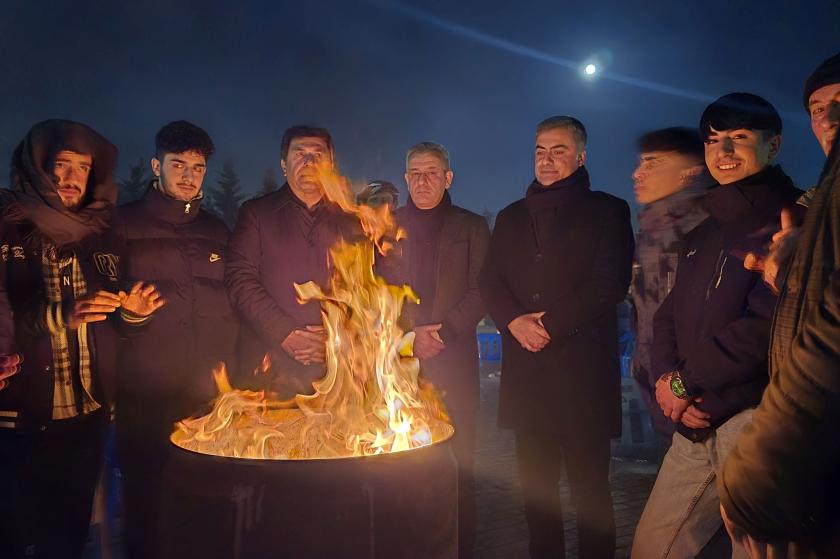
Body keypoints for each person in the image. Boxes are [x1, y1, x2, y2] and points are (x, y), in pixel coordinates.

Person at [631, 93, 802, 559]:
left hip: (753, 423)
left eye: (739, 139)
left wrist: (687, 382)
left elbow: (768, 324)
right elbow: (669, 312)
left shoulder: (791, 221)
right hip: (693, 421)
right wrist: (670, 384)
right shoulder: (707, 228)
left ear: (774, 145)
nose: (723, 153)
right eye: (713, 141)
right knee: (653, 546)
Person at [0, 120, 163, 559]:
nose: (72, 178)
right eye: (61, 165)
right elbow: (7, 313)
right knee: (15, 536)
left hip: (86, 414)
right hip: (20, 417)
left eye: (82, 167)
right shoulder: (8, 225)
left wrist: (133, 313)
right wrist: (60, 315)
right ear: (37, 167)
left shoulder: (102, 230)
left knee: (69, 536)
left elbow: (113, 317)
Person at [479, 115, 634, 558]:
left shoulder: (608, 210)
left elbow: (609, 284)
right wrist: (513, 321)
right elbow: (490, 280)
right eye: (540, 151)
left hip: (582, 377)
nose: (547, 160)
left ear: (581, 156)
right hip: (527, 380)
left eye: (559, 150)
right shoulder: (510, 217)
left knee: (590, 494)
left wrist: (546, 324)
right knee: (536, 494)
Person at [719, 52, 840, 559]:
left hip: (800, 444)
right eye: (817, 107)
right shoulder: (812, 205)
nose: (829, 119)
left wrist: (763, 458)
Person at [112, 121, 239, 559]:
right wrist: (129, 318)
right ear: (156, 165)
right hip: (145, 397)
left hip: (207, 397)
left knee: (207, 505)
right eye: (178, 164)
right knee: (147, 507)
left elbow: (234, 309)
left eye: (197, 167)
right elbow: (101, 312)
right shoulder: (122, 226)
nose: (188, 175)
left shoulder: (218, 232)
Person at [377, 142, 489, 558]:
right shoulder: (387, 227)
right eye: (415, 174)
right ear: (405, 179)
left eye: (432, 173)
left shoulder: (472, 227)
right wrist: (409, 337)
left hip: (454, 363)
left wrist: (442, 333)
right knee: (404, 466)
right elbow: (379, 290)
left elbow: (482, 289)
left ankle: (460, 548)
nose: (423, 181)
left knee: (460, 466)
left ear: (448, 178)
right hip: (401, 366)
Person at [226, 125, 359, 397]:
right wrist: (284, 332)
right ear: (284, 164)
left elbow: (365, 290)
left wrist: (335, 338)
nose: (309, 162)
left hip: (336, 371)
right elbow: (239, 278)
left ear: (330, 165)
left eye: (317, 154)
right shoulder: (257, 214)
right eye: (300, 154)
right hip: (268, 368)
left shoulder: (352, 221)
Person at [630, 127, 713, 464]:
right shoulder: (654, 230)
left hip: (696, 399)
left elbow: (709, 322)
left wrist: (686, 388)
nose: (638, 173)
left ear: (689, 172)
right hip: (663, 391)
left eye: (652, 163)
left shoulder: (706, 228)